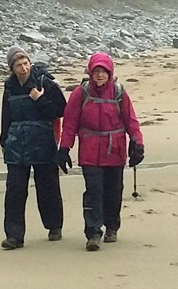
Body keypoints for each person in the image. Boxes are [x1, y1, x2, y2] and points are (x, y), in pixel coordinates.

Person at [58, 52, 144, 251]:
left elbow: (131, 121)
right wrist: (64, 148)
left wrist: (137, 143)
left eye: (103, 71)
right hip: (89, 151)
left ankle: (112, 227)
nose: (99, 75)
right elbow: (69, 124)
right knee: (94, 191)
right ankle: (93, 232)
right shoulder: (81, 93)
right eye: (95, 71)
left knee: (114, 191)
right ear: (90, 72)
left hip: (115, 150)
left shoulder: (119, 92)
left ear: (110, 72)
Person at [0, 46, 67, 250]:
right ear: (12, 68)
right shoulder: (9, 86)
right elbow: (6, 115)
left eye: (25, 63)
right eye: (18, 65)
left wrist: (40, 100)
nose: (23, 68)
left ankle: (54, 226)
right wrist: (4, 140)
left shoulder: (44, 81)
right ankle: (14, 236)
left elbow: (61, 109)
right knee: (15, 190)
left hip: (42, 140)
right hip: (16, 143)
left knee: (48, 187)